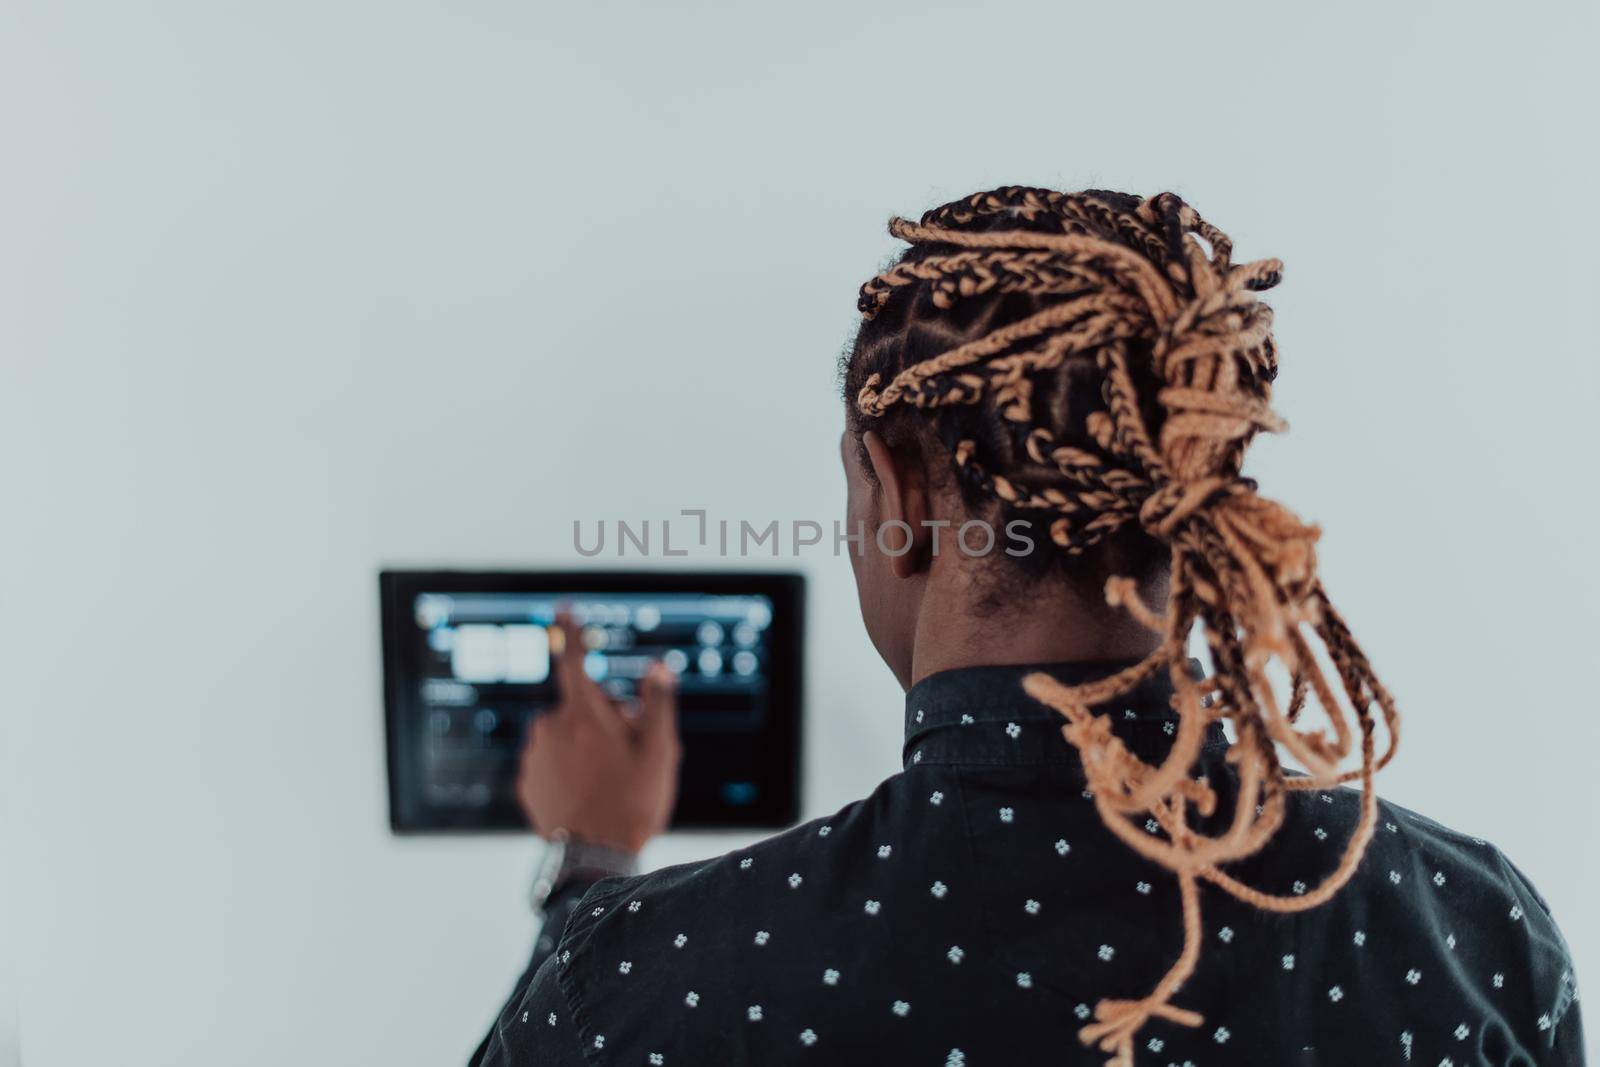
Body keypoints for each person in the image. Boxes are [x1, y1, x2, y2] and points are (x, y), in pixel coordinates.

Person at [469, 187, 1583, 1066]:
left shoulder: (648, 975)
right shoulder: (1469, 924)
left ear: (894, 497)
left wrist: (592, 866)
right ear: (1204, 480)